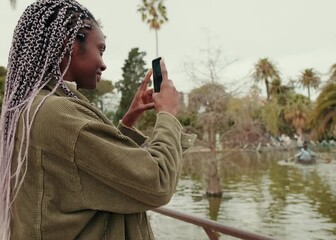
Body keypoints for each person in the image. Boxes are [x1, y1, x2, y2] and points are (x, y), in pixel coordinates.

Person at [0, 0, 195, 239]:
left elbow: (82, 170)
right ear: (70, 44)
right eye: (100, 49)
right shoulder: (59, 112)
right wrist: (167, 115)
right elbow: (157, 183)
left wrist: (128, 122)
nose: (103, 63)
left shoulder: (33, 107)